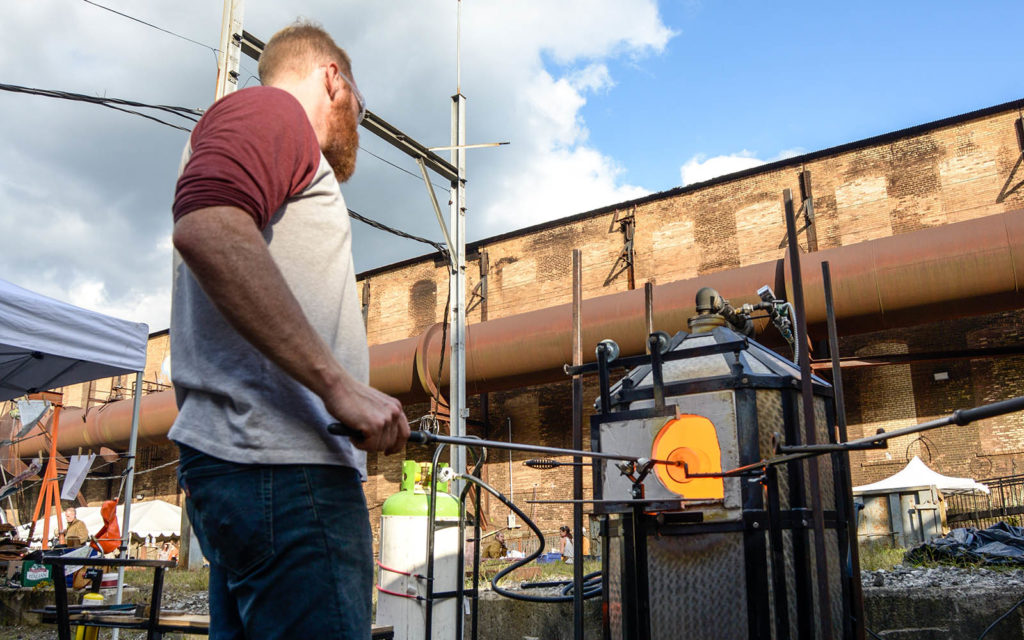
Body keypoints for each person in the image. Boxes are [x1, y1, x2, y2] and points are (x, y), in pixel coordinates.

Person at [168, 20, 410, 639]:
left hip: (255, 472)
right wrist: (339, 386)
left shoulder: (269, 133)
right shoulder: (274, 110)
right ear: (332, 78)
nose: (358, 121)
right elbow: (207, 226)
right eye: (359, 105)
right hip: (284, 470)